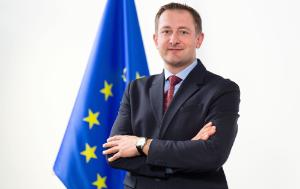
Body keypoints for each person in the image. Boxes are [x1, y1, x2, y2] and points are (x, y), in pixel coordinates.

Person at [103, 2, 240, 189]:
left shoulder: (223, 90)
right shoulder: (135, 89)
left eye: (183, 32)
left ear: (199, 39)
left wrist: (140, 144)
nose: (173, 40)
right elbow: (114, 154)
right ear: (155, 39)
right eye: (166, 31)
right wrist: (186, 151)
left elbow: (212, 155)